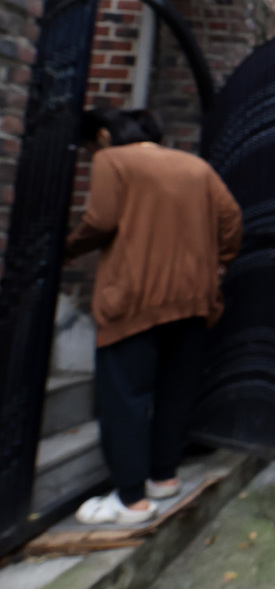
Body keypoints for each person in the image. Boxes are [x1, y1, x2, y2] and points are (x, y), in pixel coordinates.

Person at [65, 106, 242, 525]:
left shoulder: (114, 160)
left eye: (91, 146)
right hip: (193, 300)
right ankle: (163, 478)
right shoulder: (196, 168)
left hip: (134, 299)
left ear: (104, 136)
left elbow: (100, 220)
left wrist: (67, 247)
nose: (93, 153)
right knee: (174, 392)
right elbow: (232, 220)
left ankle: (130, 500)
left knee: (124, 396)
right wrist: (217, 266)